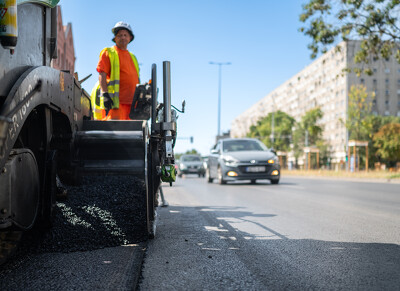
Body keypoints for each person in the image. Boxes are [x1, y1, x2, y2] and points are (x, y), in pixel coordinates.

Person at [90, 21, 140, 120]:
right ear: (115, 38)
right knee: (116, 132)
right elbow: (102, 74)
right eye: (120, 35)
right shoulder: (109, 53)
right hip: (115, 104)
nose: (123, 37)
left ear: (130, 38)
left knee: (132, 134)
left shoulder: (133, 57)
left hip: (133, 105)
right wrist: (105, 94)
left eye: (125, 35)